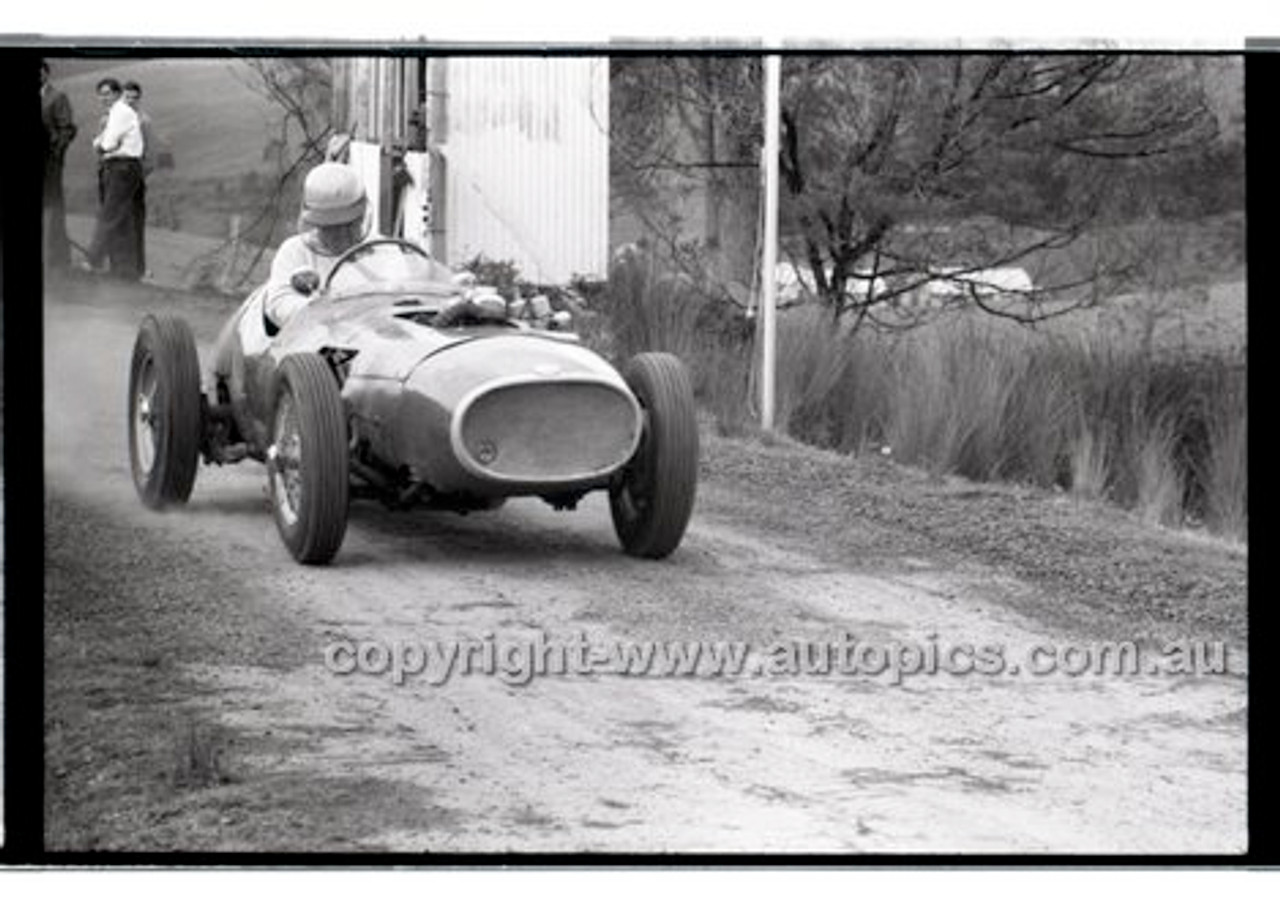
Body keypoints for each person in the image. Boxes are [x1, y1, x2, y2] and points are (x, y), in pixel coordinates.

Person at [264, 162, 372, 329]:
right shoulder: (295, 251)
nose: (341, 235)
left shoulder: (387, 251)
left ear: (362, 217)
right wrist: (317, 309)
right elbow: (279, 304)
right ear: (315, 223)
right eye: (331, 228)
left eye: (350, 225)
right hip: (318, 345)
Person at [85, 77, 144, 279]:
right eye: (100, 94)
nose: (103, 98)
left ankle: (92, 260)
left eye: (108, 93)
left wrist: (100, 146)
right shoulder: (115, 113)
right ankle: (125, 270)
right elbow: (100, 141)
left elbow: (106, 144)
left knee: (109, 215)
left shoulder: (120, 112)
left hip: (122, 167)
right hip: (120, 167)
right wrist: (100, 144)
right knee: (122, 220)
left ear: (118, 94)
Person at [40, 60, 78, 271]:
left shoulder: (57, 97)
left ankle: (57, 261)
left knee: (52, 210)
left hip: (49, 164)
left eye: (39, 70)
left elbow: (67, 130)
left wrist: (56, 155)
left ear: (46, 72)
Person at [122, 80, 154, 277]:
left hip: (135, 180)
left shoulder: (144, 121)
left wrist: (138, 176)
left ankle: (137, 269)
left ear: (139, 99)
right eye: (127, 97)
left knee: (135, 222)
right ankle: (118, 267)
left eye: (135, 98)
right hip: (115, 179)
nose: (131, 101)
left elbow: (150, 157)